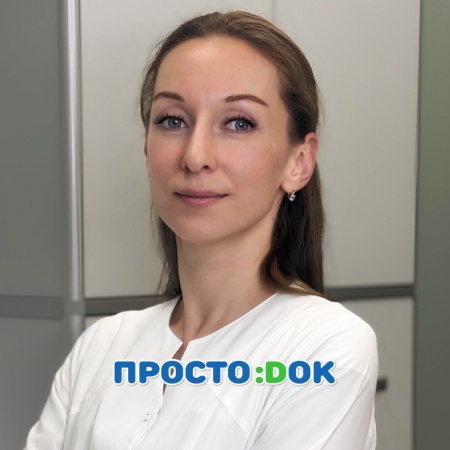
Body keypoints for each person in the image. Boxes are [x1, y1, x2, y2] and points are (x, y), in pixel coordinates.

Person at [26, 10, 377, 450]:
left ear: (299, 162)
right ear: (147, 147)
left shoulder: (326, 348)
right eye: (172, 120)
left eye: (238, 123)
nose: (195, 157)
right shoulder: (101, 347)